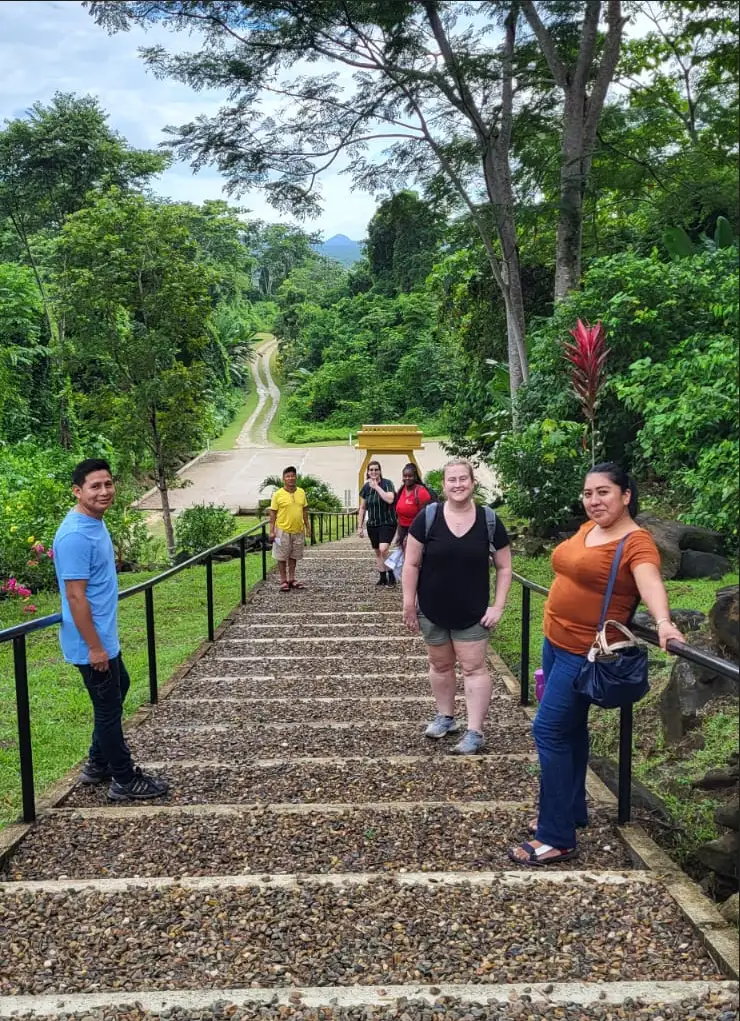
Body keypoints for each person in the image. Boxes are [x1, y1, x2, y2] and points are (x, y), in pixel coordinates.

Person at [509, 462, 685, 867]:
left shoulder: (637, 542)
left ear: (626, 495)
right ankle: (570, 810)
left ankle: (557, 837)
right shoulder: (589, 528)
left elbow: (650, 581)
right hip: (554, 641)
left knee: (548, 730)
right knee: (570, 731)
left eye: (603, 492)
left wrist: (663, 623)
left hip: (584, 653)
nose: (594, 501)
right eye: (588, 493)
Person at [53, 458, 169, 802]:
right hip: (90, 640)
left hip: (102, 634)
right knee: (107, 708)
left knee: (120, 687)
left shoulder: (94, 522)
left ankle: (98, 764)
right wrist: (95, 647)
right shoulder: (75, 535)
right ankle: (123, 777)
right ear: (78, 491)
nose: (104, 492)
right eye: (95, 486)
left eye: (108, 484)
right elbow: (75, 596)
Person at [402, 458, 512, 754]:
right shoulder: (428, 517)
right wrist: (408, 602)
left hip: (473, 610)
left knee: (474, 668)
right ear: (444, 485)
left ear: (472, 483)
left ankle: (475, 730)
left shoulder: (488, 520)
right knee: (440, 664)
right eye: (452, 480)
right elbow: (411, 562)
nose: (458, 485)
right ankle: (445, 716)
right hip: (432, 607)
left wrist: (498, 606)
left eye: (464, 479)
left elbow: (504, 567)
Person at [269, 465, 310, 592]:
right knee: (281, 557)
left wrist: (308, 527)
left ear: (296, 477)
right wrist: (271, 531)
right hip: (282, 530)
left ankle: (292, 579)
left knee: (294, 556)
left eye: (293, 476)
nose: (291, 478)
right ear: (283, 479)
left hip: (298, 530)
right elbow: (273, 513)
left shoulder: (301, 492)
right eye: (288, 476)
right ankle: (283, 580)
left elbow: (304, 510)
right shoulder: (277, 495)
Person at [358, 460, 397, 586]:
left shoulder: (387, 483)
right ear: (368, 472)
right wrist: (360, 526)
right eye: (371, 470)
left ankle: (391, 574)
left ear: (380, 471)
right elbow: (363, 507)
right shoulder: (365, 488)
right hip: (373, 524)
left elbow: (390, 499)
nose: (373, 472)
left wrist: (376, 487)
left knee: (383, 548)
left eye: (376, 469)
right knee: (377, 551)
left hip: (387, 521)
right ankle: (382, 577)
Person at [393, 463, 434, 548]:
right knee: (404, 558)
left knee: (414, 558)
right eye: (405, 476)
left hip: (417, 531)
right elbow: (400, 516)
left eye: (410, 476)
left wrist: (411, 535)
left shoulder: (421, 492)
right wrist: (399, 535)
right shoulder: (401, 491)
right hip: (402, 530)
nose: (407, 478)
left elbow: (425, 516)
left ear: (415, 477)